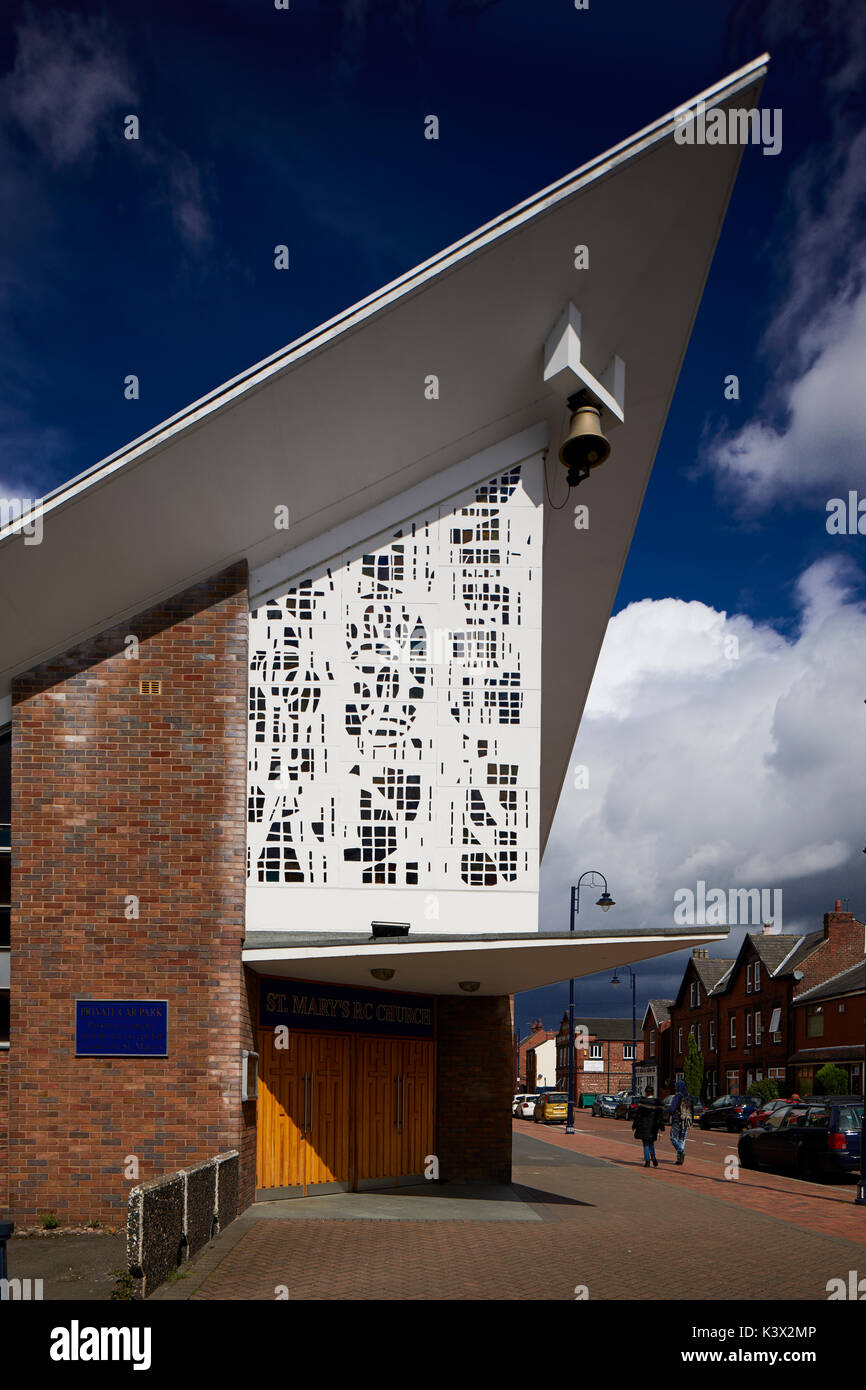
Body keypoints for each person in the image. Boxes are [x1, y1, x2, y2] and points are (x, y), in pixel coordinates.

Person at [632, 1085, 665, 1167]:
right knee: (651, 1142)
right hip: (653, 1126)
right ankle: (653, 1157)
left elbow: (638, 1116)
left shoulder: (642, 1102)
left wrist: (634, 1125)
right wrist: (661, 1126)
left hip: (644, 1125)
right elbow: (660, 1116)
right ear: (653, 1093)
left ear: (646, 1093)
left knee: (646, 1144)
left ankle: (647, 1161)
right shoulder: (657, 1103)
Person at [668, 1079, 693, 1165]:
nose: (675, 1088)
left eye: (676, 1086)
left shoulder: (677, 1096)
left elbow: (672, 1108)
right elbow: (691, 1108)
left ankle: (681, 1151)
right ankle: (679, 1159)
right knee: (682, 1139)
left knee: (673, 1137)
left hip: (677, 1119)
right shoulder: (689, 1096)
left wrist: (665, 1111)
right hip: (687, 1120)